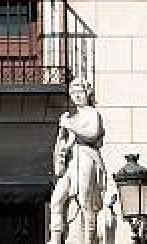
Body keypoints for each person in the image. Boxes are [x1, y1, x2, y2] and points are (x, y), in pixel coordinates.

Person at [48, 77, 116, 244]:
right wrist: (62, 139)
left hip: (87, 157)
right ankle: (55, 239)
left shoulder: (93, 114)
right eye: (74, 93)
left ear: (87, 93)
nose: (77, 96)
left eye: (80, 92)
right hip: (72, 162)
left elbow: (92, 133)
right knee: (56, 200)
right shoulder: (71, 118)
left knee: (86, 201)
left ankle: (89, 240)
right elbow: (63, 145)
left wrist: (69, 125)